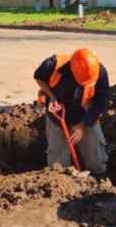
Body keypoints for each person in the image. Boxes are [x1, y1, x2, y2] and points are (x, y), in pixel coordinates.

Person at [34, 48, 110, 177]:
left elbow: (101, 102)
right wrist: (52, 96)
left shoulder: (100, 71)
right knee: (57, 160)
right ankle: (60, 181)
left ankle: (99, 179)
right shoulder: (54, 64)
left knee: (96, 153)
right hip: (58, 113)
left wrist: (83, 125)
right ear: (73, 72)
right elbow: (39, 77)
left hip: (86, 113)